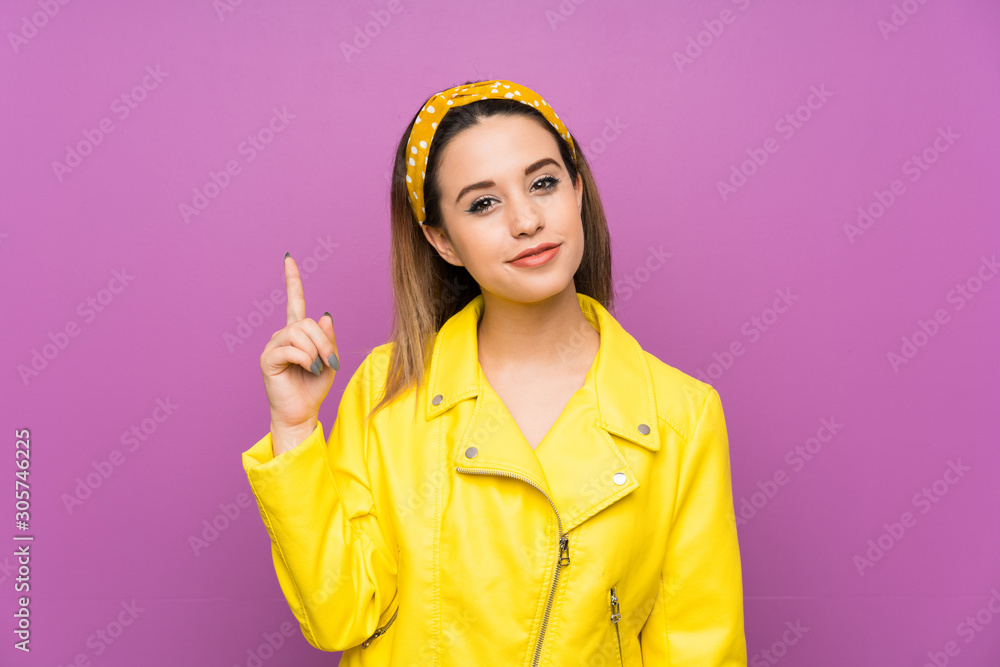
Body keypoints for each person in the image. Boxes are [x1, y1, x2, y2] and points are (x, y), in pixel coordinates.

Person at [242, 78, 747, 666]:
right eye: (483, 203)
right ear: (443, 240)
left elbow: (697, 645)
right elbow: (341, 615)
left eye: (543, 183)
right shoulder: (387, 390)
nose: (527, 220)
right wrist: (297, 428)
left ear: (577, 190)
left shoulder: (681, 416)